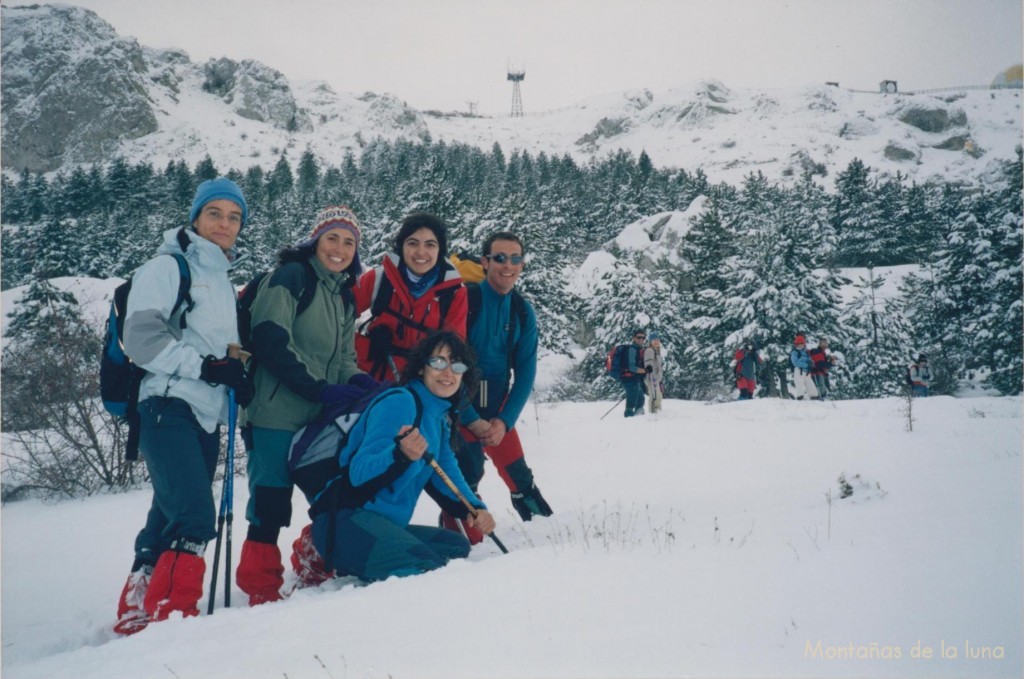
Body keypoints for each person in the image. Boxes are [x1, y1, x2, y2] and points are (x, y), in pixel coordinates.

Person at [114, 178, 253, 634]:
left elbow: (220, 351)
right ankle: (173, 616)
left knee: (169, 509)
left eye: (234, 217)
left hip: (205, 413)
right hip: (166, 405)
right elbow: (141, 338)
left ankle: (138, 602)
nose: (225, 223)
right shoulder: (168, 267)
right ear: (195, 218)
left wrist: (236, 375)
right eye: (215, 213)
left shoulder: (221, 280)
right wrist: (208, 369)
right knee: (194, 515)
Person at [236, 205, 376, 605]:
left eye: (350, 242)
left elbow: (345, 358)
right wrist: (319, 389)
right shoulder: (292, 277)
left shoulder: (344, 296)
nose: (340, 248)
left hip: (319, 418)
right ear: (315, 241)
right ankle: (260, 588)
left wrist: (360, 382)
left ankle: (312, 559)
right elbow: (270, 339)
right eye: (332, 237)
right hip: (275, 412)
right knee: (270, 501)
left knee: (332, 496)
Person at [309, 331, 496, 582]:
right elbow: (358, 472)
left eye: (457, 365)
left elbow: (447, 472)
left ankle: (379, 558)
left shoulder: (439, 418)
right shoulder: (400, 402)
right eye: (439, 362)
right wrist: (399, 455)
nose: (448, 372)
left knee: (455, 547)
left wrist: (475, 508)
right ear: (421, 368)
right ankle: (320, 554)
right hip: (347, 520)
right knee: (428, 570)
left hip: (385, 524)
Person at [444, 232, 552, 543]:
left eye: (515, 259)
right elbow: (450, 366)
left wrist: (504, 422)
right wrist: (470, 418)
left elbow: (526, 371)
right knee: (467, 479)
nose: (508, 265)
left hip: (498, 412)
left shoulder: (521, 311)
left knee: (521, 480)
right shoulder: (468, 302)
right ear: (485, 261)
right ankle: (461, 551)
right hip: (461, 410)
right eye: (500, 258)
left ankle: (546, 543)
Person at [354, 212, 468, 382]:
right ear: (402, 247)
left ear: (440, 250)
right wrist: (365, 347)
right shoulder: (379, 279)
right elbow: (337, 321)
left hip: (420, 385)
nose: (421, 252)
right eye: (412, 243)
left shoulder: (453, 293)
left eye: (430, 244)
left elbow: (453, 350)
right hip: (369, 378)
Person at [619, 329, 648, 417]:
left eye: (643, 338)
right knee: (632, 402)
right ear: (634, 338)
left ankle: (636, 421)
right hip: (629, 379)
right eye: (638, 337)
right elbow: (632, 367)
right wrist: (645, 370)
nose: (641, 339)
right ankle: (628, 421)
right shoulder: (632, 350)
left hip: (635, 379)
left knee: (640, 400)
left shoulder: (639, 349)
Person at [790, 335, 819, 400]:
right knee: (799, 384)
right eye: (798, 343)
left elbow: (809, 359)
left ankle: (813, 396)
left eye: (801, 343)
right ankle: (800, 397)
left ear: (804, 344)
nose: (800, 345)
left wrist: (811, 363)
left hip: (807, 372)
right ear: (796, 344)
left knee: (810, 383)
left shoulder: (805, 352)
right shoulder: (795, 352)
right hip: (799, 371)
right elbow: (795, 362)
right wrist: (806, 365)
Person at [643, 332, 664, 413]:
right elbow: (648, 363)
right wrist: (649, 370)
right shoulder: (649, 350)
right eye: (654, 340)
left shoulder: (657, 351)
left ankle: (658, 411)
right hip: (651, 377)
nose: (656, 341)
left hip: (657, 378)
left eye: (657, 340)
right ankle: (652, 412)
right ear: (650, 342)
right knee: (654, 395)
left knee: (659, 396)